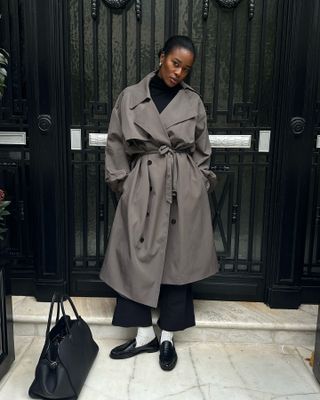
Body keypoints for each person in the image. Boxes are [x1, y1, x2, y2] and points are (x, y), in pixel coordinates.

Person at [100, 35, 219, 371]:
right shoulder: (131, 97)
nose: (179, 72)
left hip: (183, 189)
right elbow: (116, 145)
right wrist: (124, 186)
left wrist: (197, 183)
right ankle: (142, 335)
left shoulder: (192, 102)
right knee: (134, 261)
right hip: (143, 186)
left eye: (186, 68)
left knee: (177, 265)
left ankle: (166, 337)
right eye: (174, 63)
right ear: (162, 56)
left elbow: (202, 149)